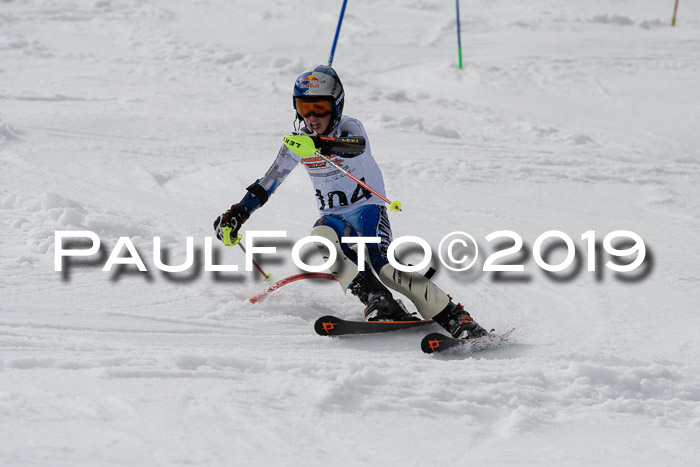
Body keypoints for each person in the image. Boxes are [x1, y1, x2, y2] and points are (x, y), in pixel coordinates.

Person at [214, 65, 489, 339]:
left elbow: (354, 147)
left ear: (336, 105)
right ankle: (379, 300)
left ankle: (455, 316)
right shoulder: (297, 143)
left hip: (367, 210)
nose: (312, 117)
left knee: (386, 267)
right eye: (303, 108)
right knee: (321, 236)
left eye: (320, 108)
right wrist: (239, 212)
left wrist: (321, 145)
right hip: (335, 217)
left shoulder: (350, 127)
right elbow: (268, 183)